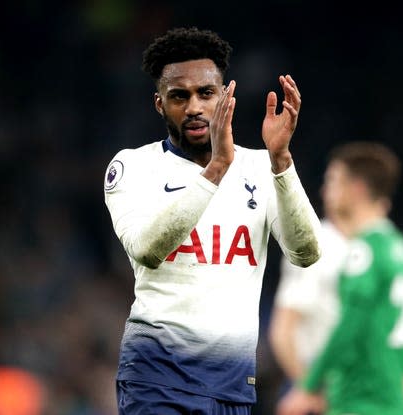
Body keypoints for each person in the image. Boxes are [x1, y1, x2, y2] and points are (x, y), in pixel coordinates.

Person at [103, 27, 322, 414]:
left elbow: (306, 253)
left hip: (231, 384)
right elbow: (147, 250)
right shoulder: (133, 166)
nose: (194, 107)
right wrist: (218, 168)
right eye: (179, 96)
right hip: (157, 377)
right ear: (159, 104)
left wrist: (282, 162)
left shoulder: (261, 166)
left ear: (225, 95)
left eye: (205, 93)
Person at [276, 141, 403, 415]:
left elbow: (350, 325)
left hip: (357, 393)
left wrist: (307, 387)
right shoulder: (398, 245)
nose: (325, 190)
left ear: (357, 189)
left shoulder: (364, 250)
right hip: (389, 392)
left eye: (334, 181)